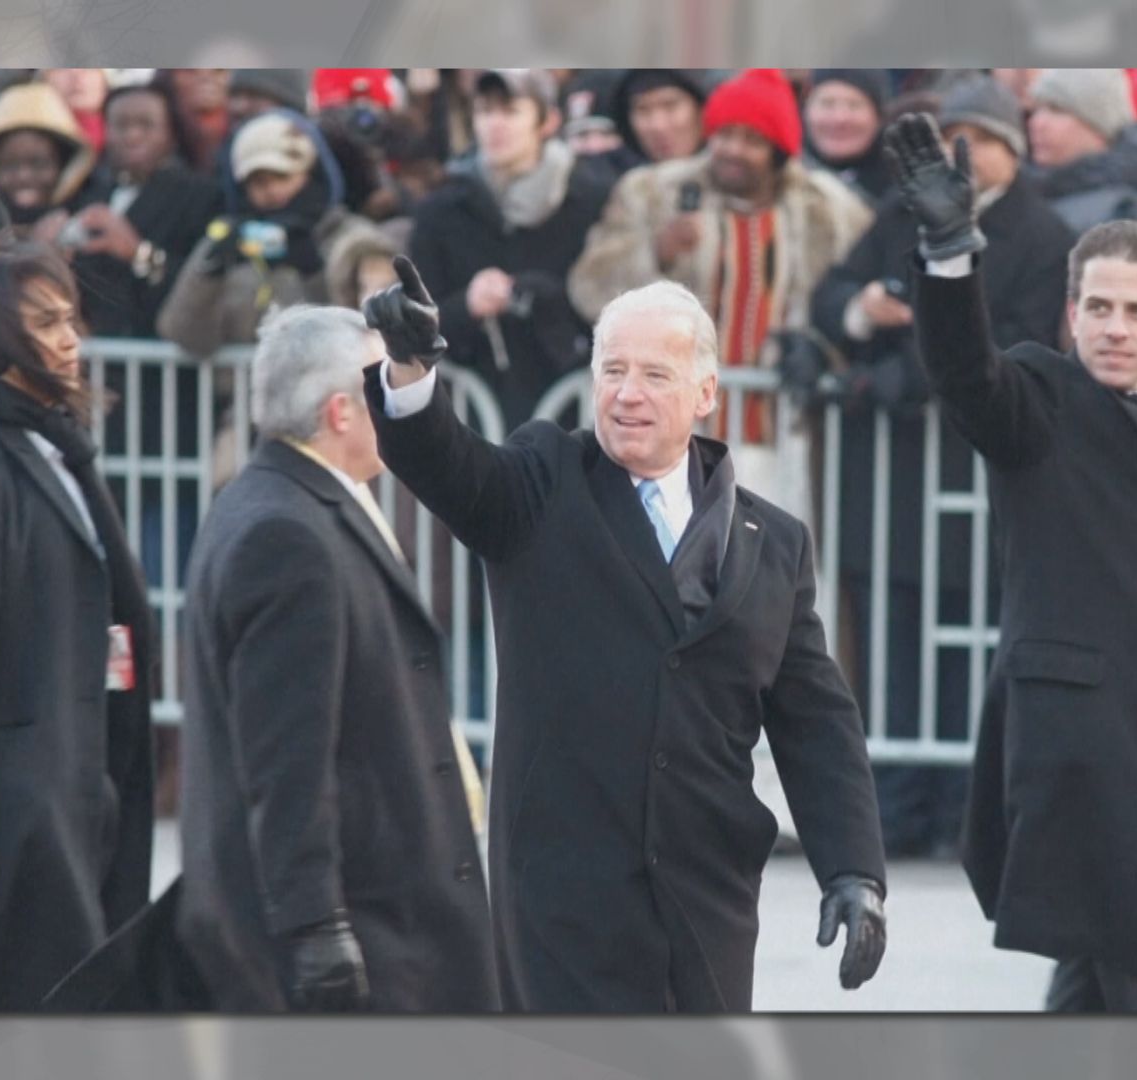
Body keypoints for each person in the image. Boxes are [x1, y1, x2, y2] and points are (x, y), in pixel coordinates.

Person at [360, 258, 888, 1012]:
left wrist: (854, 871)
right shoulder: (545, 479)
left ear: (706, 393)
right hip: (564, 896)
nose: (628, 393)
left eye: (654, 374)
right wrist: (410, 371)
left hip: (707, 894)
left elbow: (815, 721)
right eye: (612, 370)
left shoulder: (773, 542)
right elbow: (453, 468)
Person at [881, 115, 1137, 1012]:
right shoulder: (1039, 399)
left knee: (1100, 992)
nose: (1113, 327)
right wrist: (951, 254)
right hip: (1083, 756)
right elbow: (965, 375)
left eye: (1136, 310)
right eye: (1096, 308)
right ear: (1071, 315)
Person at [173, 305, 499, 1012]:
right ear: (342, 413)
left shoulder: (277, 501)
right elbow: (288, 765)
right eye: (381, 382)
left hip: (381, 921)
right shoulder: (285, 537)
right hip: (366, 934)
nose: (397, 397)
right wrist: (316, 928)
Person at [810, 75, 1075, 859]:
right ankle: (895, 809)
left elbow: (1022, 343)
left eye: (981, 139)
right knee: (891, 642)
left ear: (1011, 150)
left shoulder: (1043, 232)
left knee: (974, 645)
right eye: (954, 135)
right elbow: (830, 296)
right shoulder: (900, 214)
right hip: (891, 477)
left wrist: (910, 356)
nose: (965, 155)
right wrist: (864, 311)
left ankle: (970, 808)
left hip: (976, 475)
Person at [0, 240, 155, 1009]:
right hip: (23, 822)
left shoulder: (56, 446)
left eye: (71, 317)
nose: (71, 338)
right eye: (44, 323)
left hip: (86, 797)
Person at [569, 68, 872, 526]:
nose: (732, 149)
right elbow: (588, 289)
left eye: (751, 139)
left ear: (778, 150)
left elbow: (852, 298)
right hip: (670, 435)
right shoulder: (654, 193)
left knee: (766, 569)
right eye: (724, 134)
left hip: (782, 432)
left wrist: (821, 350)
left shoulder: (827, 210)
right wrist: (654, 253)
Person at [409, 69, 615, 428]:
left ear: (548, 120)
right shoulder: (441, 210)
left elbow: (610, 307)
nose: (495, 124)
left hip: (576, 423)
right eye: (484, 111)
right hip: (473, 427)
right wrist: (466, 306)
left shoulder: (591, 199)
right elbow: (416, 323)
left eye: (510, 111)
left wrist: (546, 298)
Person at [157, 109, 363, 356]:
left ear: (310, 174)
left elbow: (362, 335)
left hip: (320, 391)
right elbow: (184, 336)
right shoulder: (226, 237)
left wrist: (314, 273)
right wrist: (210, 274)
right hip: (239, 391)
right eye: (258, 181)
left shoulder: (347, 236)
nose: (272, 190)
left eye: (282, 176)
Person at [64, 75, 223, 339]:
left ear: (171, 134)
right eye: (120, 125)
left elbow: (205, 284)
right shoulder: (87, 193)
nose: (132, 135)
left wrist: (138, 252)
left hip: (162, 363)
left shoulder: (201, 195)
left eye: (146, 125)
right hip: (97, 359)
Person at [1024, 68, 1137, 234]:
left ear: (1100, 126)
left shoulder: (1123, 211)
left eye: (1056, 109)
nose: (1036, 123)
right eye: (1035, 110)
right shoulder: (1018, 188)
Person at [0, 80, 97, 239]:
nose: (23, 176)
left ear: (65, 165)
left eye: (38, 164)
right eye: (9, 165)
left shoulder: (91, 224)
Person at [802, 69, 894, 205]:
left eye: (855, 105)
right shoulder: (779, 183)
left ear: (879, 117)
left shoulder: (902, 189)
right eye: (827, 104)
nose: (840, 118)